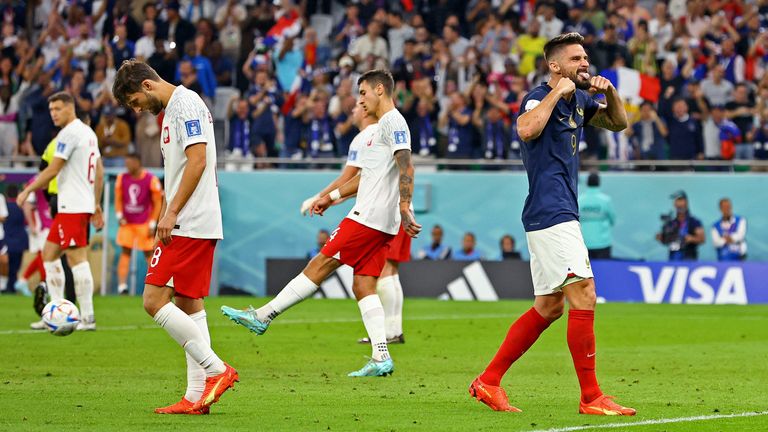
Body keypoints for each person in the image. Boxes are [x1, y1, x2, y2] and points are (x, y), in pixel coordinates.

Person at [470, 33, 636, 416]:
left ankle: (488, 382)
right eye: (577, 58)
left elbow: (619, 124)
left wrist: (609, 93)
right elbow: (526, 129)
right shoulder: (538, 96)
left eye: (585, 57)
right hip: (551, 210)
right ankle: (591, 396)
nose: (585, 63)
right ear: (555, 66)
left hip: (558, 210)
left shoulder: (579, 99)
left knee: (548, 306)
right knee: (585, 294)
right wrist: (555, 93)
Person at [222, 70, 421, 377]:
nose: (360, 100)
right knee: (363, 284)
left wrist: (405, 204)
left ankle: (264, 315)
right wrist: (332, 197)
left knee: (320, 263)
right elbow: (366, 178)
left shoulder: (394, 121)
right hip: (379, 220)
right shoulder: (381, 128)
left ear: (380, 90)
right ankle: (381, 355)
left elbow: (406, 164)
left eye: (364, 93)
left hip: (369, 217)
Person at [112, 59, 237, 415]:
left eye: (135, 101)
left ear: (148, 85)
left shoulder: (186, 104)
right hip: (191, 219)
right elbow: (181, 169)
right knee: (188, 303)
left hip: (190, 221)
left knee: (153, 299)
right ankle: (197, 396)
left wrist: (170, 213)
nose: (137, 109)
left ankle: (216, 370)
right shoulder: (173, 111)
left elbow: (197, 161)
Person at [299, 103, 409, 344]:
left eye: (359, 104)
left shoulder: (365, 136)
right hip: (394, 208)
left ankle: (391, 332)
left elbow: (350, 177)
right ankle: (392, 331)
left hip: (383, 211)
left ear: (366, 111)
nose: (354, 111)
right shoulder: (378, 132)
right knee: (388, 270)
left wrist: (322, 197)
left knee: (386, 270)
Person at [16, 92, 104, 333]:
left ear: (70, 107)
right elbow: (99, 171)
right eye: (51, 109)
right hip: (76, 204)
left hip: (73, 206)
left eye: (57, 108)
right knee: (49, 254)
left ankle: (87, 317)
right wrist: (96, 203)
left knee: (77, 259)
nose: (53, 113)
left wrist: (28, 189)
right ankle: (55, 314)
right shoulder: (88, 132)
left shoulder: (69, 133)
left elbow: (53, 169)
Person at [114, 153, 163, 295]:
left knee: (149, 253)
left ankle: (155, 285)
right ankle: (122, 286)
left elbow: (157, 202)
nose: (127, 167)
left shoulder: (151, 179)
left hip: (144, 223)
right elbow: (118, 198)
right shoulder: (121, 178)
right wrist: (119, 215)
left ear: (137, 162)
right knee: (125, 251)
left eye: (130, 163)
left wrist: (153, 223)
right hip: (128, 223)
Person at [656, 191, 705, 261]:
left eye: (680, 200)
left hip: (689, 259)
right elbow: (667, 241)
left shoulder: (694, 221)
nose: (679, 204)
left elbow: (702, 239)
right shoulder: (671, 223)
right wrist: (661, 238)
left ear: (686, 202)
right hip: (673, 259)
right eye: (676, 201)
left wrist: (692, 239)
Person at [578, 173, 616, 259]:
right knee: (604, 271)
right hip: (603, 243)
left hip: (583, 243)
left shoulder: (579, 200)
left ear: (587, 183)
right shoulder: (606, 200)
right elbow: (612, 220)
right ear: (599, 183)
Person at [1, 185, 28, 294]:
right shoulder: (22, 207)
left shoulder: (5, 206)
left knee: (7, 265)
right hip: (20, 240)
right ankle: (12, 286)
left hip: (7, 239)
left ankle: (7, 287)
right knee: (16, 266)